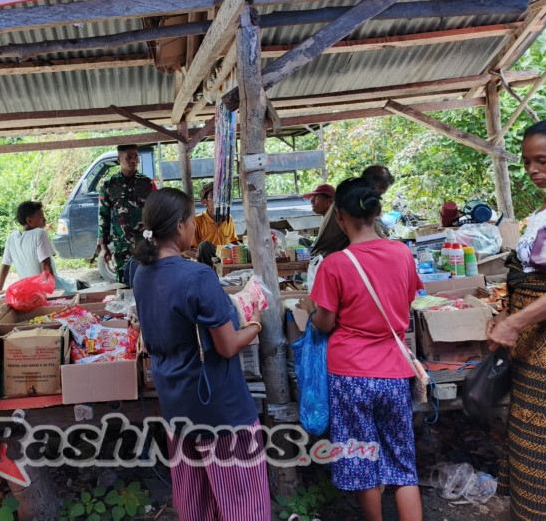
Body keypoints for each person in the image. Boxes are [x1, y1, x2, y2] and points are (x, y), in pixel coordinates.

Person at [131, 188, 269, 521]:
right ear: (180, 226)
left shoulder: (141, 273)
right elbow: (227, 345)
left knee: (196, 499)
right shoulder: (197, 276)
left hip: (176, 402)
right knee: (241, 501)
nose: (194, 228)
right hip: (219, 407)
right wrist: (255, 323)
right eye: (192, 221)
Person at [298, 177, 423, 521]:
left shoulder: (335, 264)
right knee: (402, 463)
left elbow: (325, 323)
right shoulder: (402, 253)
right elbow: (406, 303)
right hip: (394, 372)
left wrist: (314, 314)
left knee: (363, 460)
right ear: (377, 212)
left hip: (350, 375)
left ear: (339, 216)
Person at [487, 119, 546, 521]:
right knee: (529, 432)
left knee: (545, 439)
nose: (533, 169)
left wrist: (515, 323)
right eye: (528, 161)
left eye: (543, 160)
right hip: (535, 344)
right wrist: (505, 314)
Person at [97, 144, 156, 283]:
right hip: (121, 245)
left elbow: (156, 212)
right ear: (119, 159)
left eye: (136, 157)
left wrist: (158, 239)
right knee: (125, 282)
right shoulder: (108, 185)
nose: (133, 160)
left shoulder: (148, 183)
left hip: (144, 243)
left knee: (148, 280)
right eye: (129, 157)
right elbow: (103, 216)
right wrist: (104, 247)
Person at [0, 201, 79, 294]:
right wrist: (51, 295)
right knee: (82, 285)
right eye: (41, 217)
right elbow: (46, 267)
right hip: (55, 288)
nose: (45, 220)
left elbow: (4, 269)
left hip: (31, 292)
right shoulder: (39, 233)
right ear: (29, 221)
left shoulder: (11, 238)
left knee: (76, 283)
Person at [311, 165, 395, 258]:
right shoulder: (352, 204)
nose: (375, 201)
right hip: (330, 258)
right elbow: (370, 237)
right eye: (378, 195)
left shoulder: (349, 199)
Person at [190, 181, 239, 267]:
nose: (218, 199)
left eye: (220, 196)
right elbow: (187, 250)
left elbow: (233, 242)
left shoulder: (228, 219)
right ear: (204, 202)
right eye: (213, 196)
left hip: (224, 262)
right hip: (206, 263)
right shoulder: (197, 220)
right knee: (204, 246)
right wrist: (201, 254)